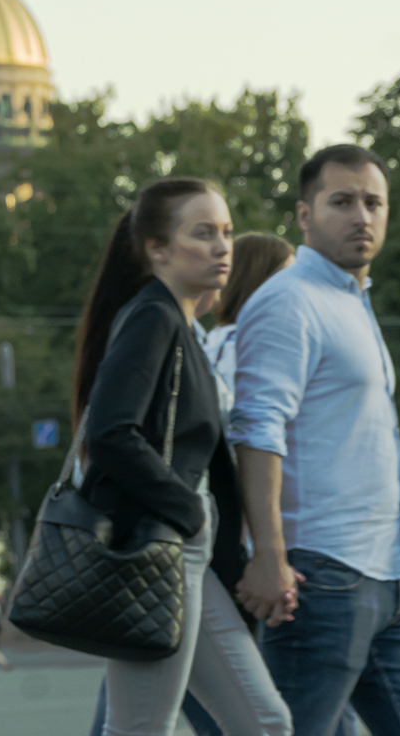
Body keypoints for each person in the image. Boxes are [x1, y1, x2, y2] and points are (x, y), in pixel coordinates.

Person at [231, 144, 400, 736]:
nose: (362, 215)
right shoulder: (288, 301)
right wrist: (270, 555)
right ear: (304, 215)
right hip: (322, 577)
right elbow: (257, 430)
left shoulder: (351, 300)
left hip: (390, 574)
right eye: (342, 201)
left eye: (373, 202)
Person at [75, 177, 291, 736]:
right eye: (203, 234)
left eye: (226, 232)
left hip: (179, 552)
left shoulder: (178, 321)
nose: (224, 247)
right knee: (143, 727)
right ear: (157, 248)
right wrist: (191, 512)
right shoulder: (154, 316)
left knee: (264, 721)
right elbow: (110, 433)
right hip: (159, 549)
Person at [203, 233, 295, 394]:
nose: (298, 289)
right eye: (288, 278)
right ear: (261, 284)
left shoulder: (216, 341)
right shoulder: (242, 347)